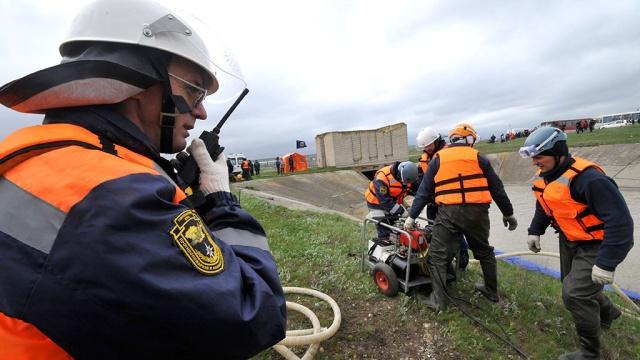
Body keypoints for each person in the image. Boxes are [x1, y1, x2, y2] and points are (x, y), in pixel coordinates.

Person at [0, 0, 286, 358]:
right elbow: (255, 312)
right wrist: (220, 202)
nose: (201, 111)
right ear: (134, 80)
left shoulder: (31, 157)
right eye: (193, 90)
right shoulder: (117, 195)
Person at [519, 127, 633, 359]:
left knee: (575, 293)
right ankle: (609, 313)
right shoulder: (549, 176)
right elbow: (545, 203)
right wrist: (535, 231)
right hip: (571, 240)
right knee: (572, 284)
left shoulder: (590, 180)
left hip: (599, 243)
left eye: (539, 157)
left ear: (558, 152)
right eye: (533, 158)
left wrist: (607, 262)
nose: (535, 163)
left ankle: (590, 354)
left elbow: (621, 223)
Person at [405, 122, 517, 310]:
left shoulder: (438, 159)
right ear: (470, 139)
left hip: (449, 212)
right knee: (484, 252)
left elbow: (424, 191)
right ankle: (491, 292)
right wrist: (508, 213)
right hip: (478, 213)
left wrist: (412, 217)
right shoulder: (479, 158)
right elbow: (497, 189)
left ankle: (439, 301)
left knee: (437, 256)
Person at [413, 127, 469, 269]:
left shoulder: (448, 154)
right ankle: (438, 260)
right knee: (433, 230)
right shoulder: (424, 160)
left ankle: (462, 258)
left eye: (429, 146)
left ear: (436, 141)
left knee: (455, 231)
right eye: (425, 148)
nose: (428, 150)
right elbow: (421, 183)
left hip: (448, 202)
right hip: (433, 202)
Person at [365, 161, 418, 241]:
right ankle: (383, 241)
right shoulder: (382, 178)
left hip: (391, 201)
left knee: (395, 227)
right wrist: (401, 211)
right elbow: (384, 201)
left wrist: (407, 207)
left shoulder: (406, 177)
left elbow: (409, 190)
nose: (407, 184)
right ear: (399, 175)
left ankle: (396, 243)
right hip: (376, 203)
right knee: (384, 227)